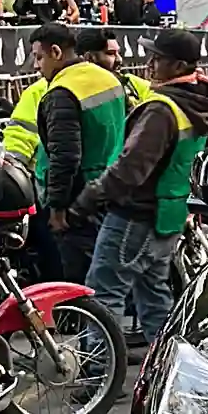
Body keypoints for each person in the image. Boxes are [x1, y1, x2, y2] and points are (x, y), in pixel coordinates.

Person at [72, 30, 208, 348]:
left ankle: (99, 369)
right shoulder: (197, 102)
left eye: (157, 58)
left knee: (104, 294)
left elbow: (130, 169)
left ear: (178, 66)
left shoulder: (162, 109)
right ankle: (164, 362)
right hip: (168, 214)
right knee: (154, 296)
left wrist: (88, 199)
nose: (149, 64)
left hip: (135, 216)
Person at [30, 24, 129, 284]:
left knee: (78, 281)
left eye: (39, 57)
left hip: (78, 201)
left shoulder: (62, 93)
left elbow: (65, 156)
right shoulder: (110, 80)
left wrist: (57, 207)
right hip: (111, 188)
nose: (36, 66)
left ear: (55, 52)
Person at [84, 28, 154, 104]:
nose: (119, 59)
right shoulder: (81, 92)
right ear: (89, 57)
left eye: (119, 53)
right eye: (111, 53)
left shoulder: (130, 81)